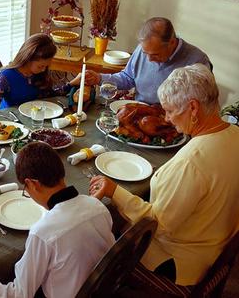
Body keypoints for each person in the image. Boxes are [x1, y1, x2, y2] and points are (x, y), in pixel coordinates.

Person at [89, 64, 239, 290]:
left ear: (193, 108)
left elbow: (155, 223)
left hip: (180, 261)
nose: (167, 119)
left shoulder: (192, 162)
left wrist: (113, 190)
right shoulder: (234, 134)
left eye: (170, 111)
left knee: (95, 239)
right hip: (215, 243)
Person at [0, 142, 115, 298]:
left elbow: (20, 294)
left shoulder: (43, 233)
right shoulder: (97, 206)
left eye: (26, 189)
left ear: (32, 184)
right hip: (106, 287)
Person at [83, 17, 211, 105]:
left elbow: (200, 104)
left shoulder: (198, 61)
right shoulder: (144, 49)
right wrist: (99, 78)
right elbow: (128, 77)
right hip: (140, 112)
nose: (149, 59)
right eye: (146, 54)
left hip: (175, 123)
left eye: (155, 54)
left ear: (171, 42)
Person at [0, 33, 81, 120]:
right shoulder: (6, 76)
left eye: (46, 66)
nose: (44, 69)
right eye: (41, 66)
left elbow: (51, 93)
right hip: (11, 119)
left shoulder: (40, 73)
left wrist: (72, 84)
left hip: (35, 119)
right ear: (28, 58)